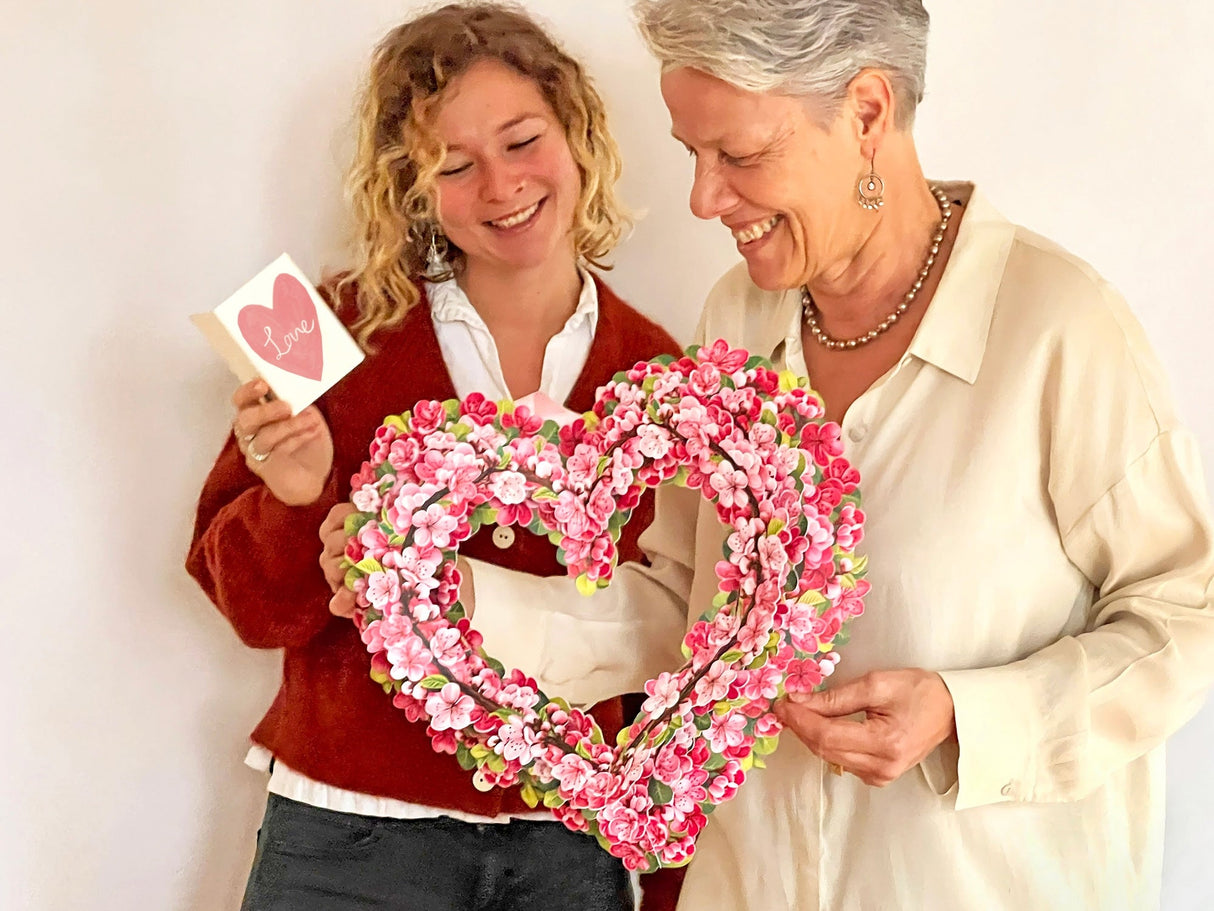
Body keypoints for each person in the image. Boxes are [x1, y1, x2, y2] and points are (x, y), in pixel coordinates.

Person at [456, 1, 1214, 909]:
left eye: (738, 155)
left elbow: (1186, 615)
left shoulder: (1058, 329)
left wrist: (965, 718)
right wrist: (453, 599)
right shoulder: (735, 320)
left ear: (865, 112)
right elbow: (681, 604)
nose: (702, 197)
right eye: (693, 153)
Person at [186, 4, 684, 909]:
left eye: (522, 140)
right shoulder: (329, 328)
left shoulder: (662, 376)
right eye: (454, 166)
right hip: (348, 833)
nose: (501, 186)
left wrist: (661, 874)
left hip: (569, 846)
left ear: (577, 135)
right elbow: (251, 608)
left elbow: (676, 648)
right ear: (413, 191)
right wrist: (297, 498)